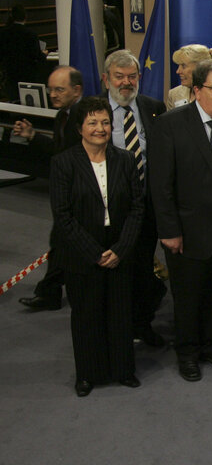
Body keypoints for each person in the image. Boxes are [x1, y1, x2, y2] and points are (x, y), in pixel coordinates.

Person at [149, 59, 212, 382]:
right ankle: (188, 353)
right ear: (196, 91)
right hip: (187, 232)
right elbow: (160, 185)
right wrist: (169, 231)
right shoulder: (171, 125)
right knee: (189, 296)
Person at [48, 96, 144, 396]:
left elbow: (137, 208)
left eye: (105, 122)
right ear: (80, 128)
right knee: (87, 315)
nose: (100, 128)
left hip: (119, 249)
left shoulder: (126, 160)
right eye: (92, 123)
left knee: (119, 313)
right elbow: (62, 216)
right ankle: (88, 374)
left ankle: (123, 370)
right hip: (82, 252)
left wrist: (120, 249)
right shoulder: (63, 163)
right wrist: (95, 253)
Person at [101, 49, 168, 346]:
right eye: (119, 77)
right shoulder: (92, 112)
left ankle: (142, 325)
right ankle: (114, 331)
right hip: (109, 212)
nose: (126, 83)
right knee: (114, 274)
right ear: (106, 80)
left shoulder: (153, 107)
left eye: (132, 76)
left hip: (147, 208)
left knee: (143, 271)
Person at [14, 66, 84, 311]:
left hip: (82, 195)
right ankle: (49, 292)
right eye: (51, 89)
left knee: (64, 243)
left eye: (59, 89)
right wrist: (33, 136)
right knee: (60, 243)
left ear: (77, 90)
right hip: (67, 193)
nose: (53, 94)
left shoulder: (84, 117)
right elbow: (60, 151)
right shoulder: (62, 116)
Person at [0, 5, 47, 101]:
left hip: (11, 76)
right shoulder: (30, 34)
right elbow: (36, 56)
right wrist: (44, 54)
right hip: (28, 76)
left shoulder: (3, 33)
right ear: (25, 17)